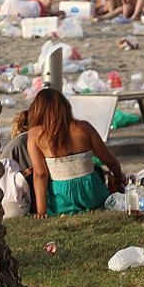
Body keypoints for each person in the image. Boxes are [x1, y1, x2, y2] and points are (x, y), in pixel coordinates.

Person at [26, 89, 125, 217]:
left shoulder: (35, 135)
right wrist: (118, 175)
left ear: (37, 110)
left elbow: (40, 174)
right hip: (92, 193)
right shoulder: (83, 127)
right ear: (66, 107)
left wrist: (41, 211)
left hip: (61, 197)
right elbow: (108, 159)